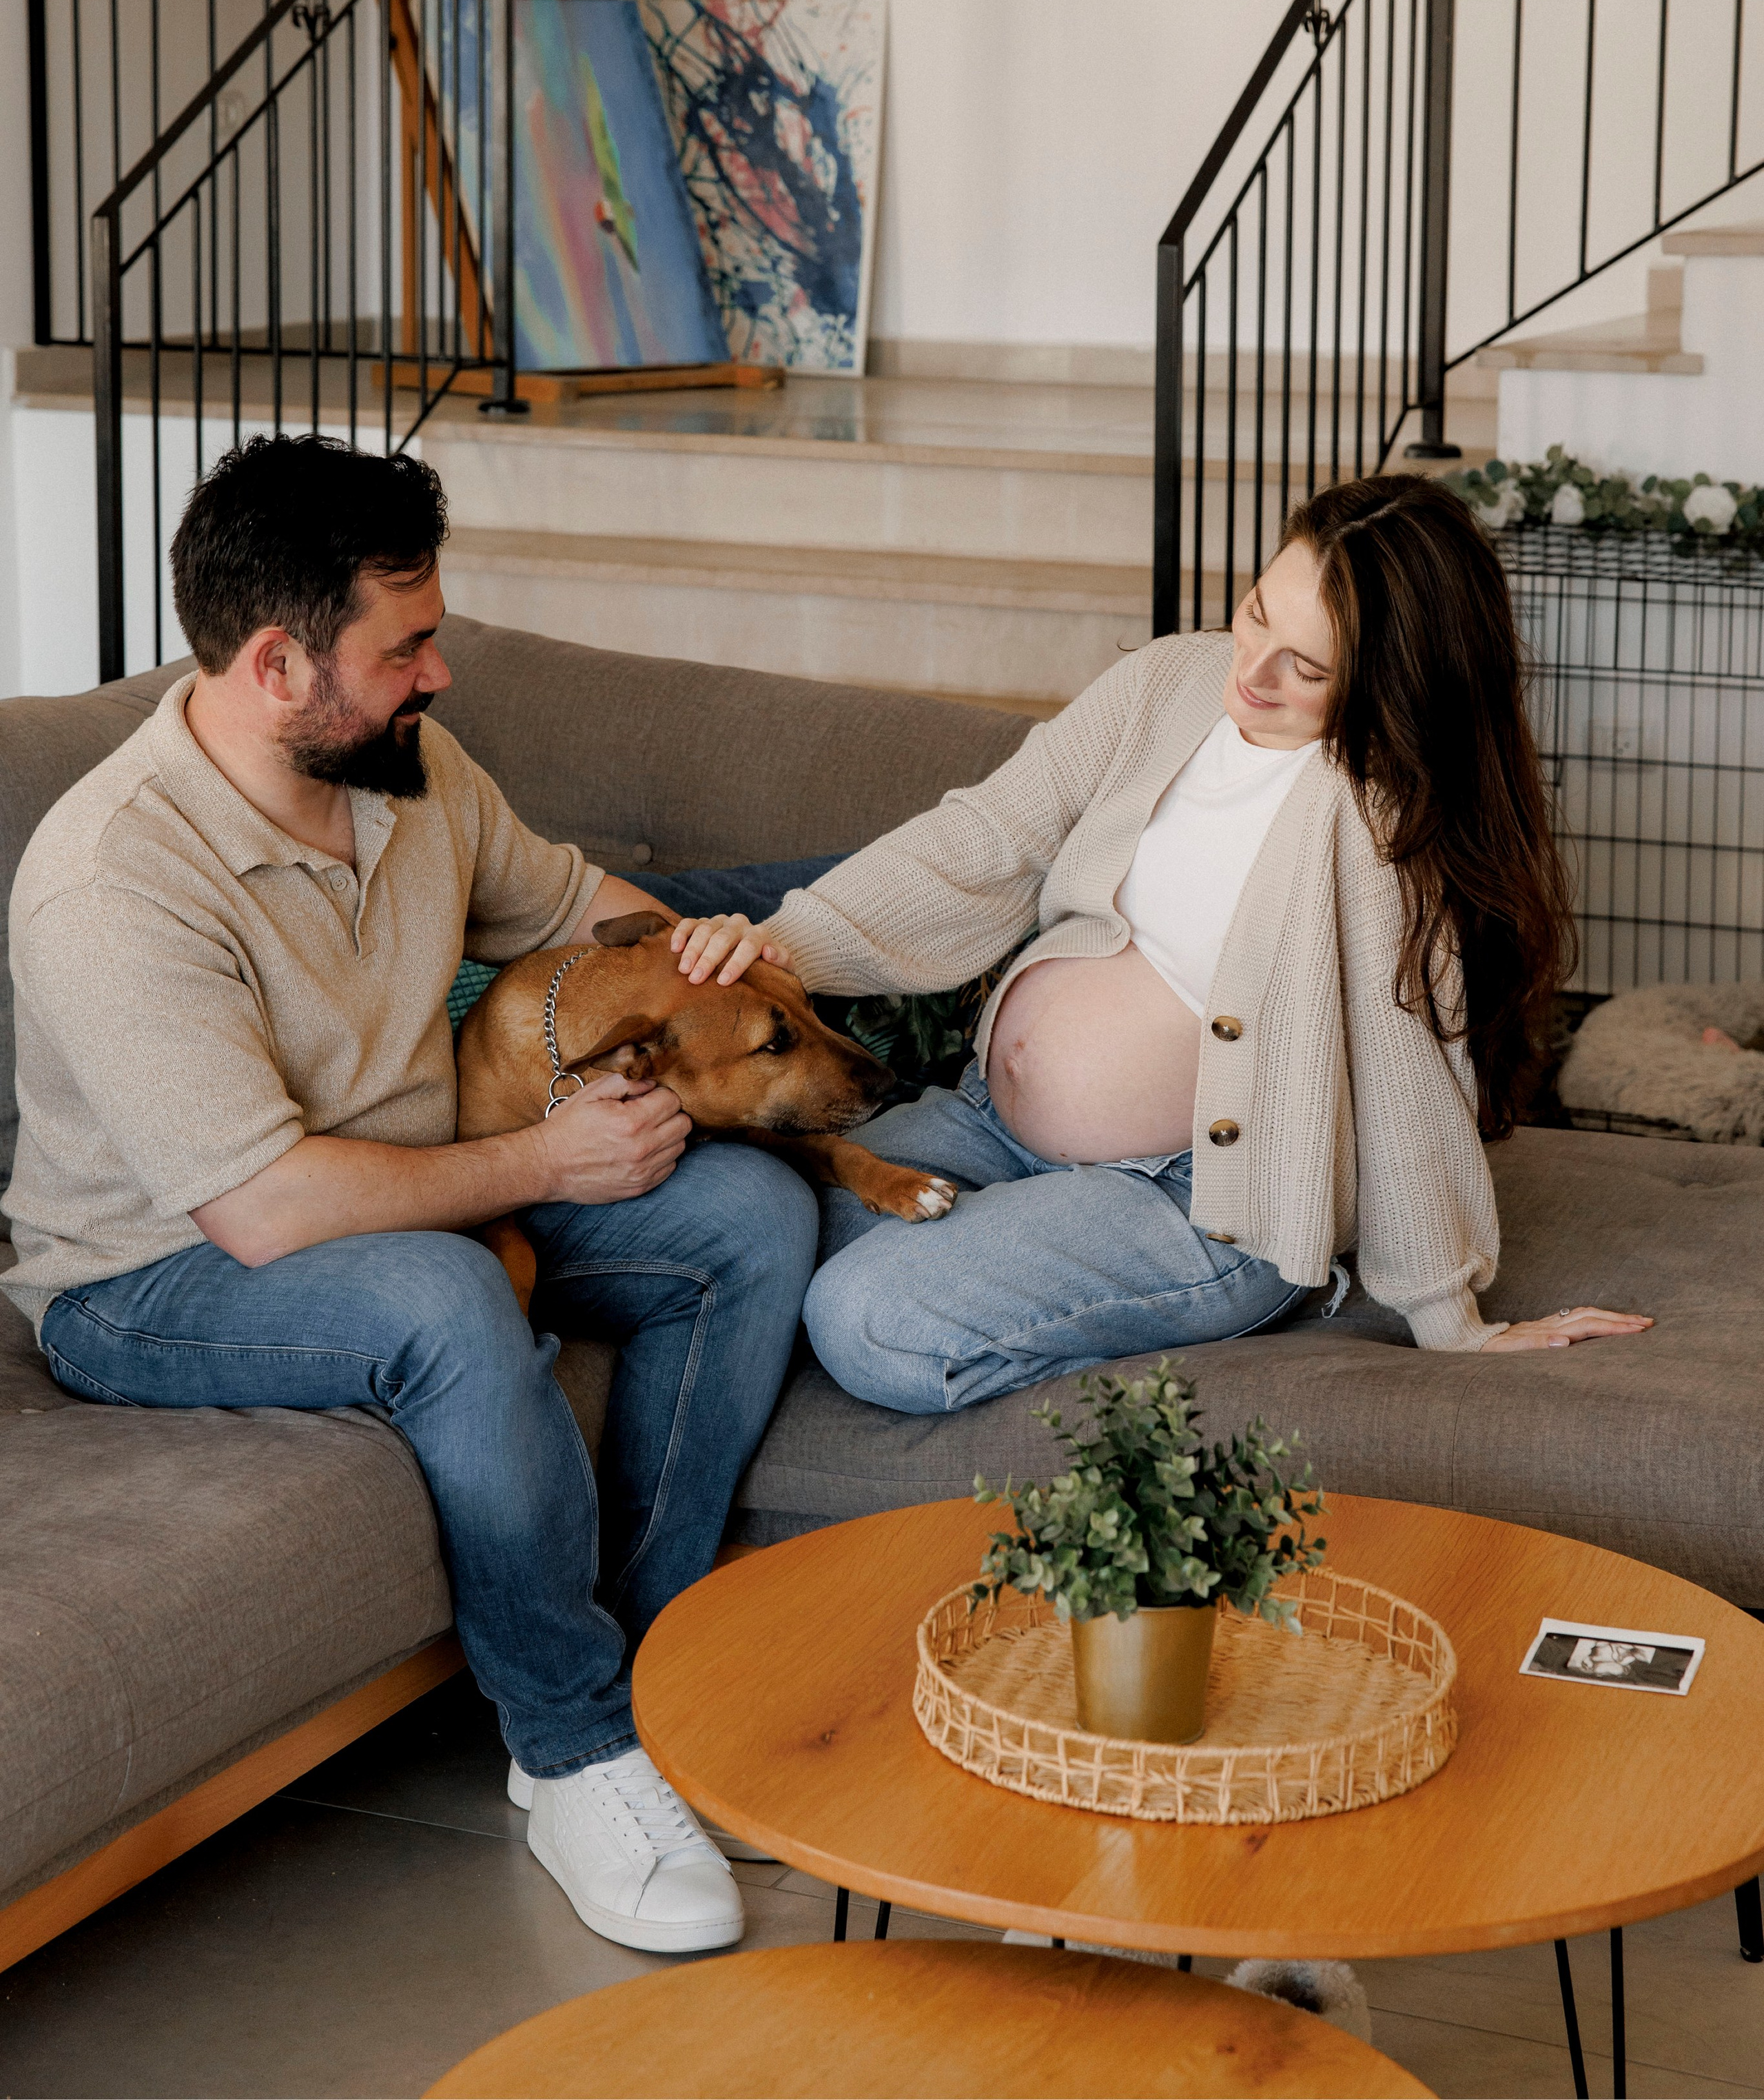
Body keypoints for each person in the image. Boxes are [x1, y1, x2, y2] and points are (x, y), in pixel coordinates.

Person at [1, 435, 812, 1957]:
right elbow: (264, 1210)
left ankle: (626, 1678)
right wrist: (541, 1163)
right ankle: (576, 1754)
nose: (439, 673)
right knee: (443, 1301)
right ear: (273, 663)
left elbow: (574, 904)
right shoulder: (114, 878)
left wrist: (704, 948)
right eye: (406, 646)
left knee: (747, 1220)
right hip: (155, 1278)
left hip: (414, 1194)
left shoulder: (404, 769)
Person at [699, 474, 1654, 1410]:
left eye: (1308, 668)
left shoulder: (1379, 833)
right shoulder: (1172, 682)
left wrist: (1449, 1315)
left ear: (1396, 686)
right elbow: (989, 834)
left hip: (1199, 1199)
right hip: (993, 1121)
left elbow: (1410, 1075)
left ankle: (1145, 1337)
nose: (1254, 670)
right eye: (1255, 612)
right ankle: (1034, 1265)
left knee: (865, 1317)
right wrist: (780, 950)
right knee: (750, 1228)